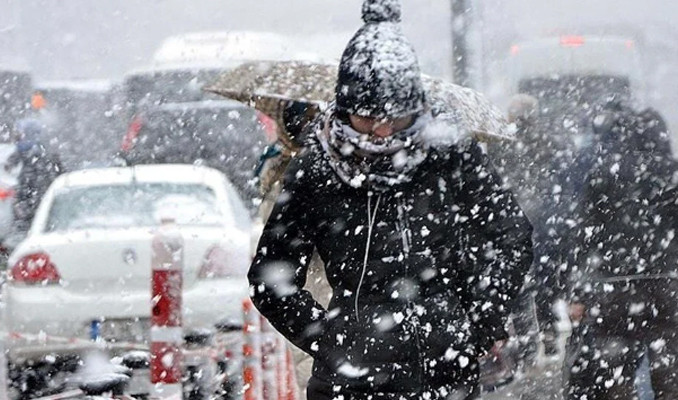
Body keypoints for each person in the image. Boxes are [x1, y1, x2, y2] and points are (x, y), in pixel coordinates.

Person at [247, 0, 534, 398]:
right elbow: (269, 280)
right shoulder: (316, 170)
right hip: (350, 382)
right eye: (366, 118)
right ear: (345, 110)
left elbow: (511, 235)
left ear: (415, 108)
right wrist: (331, 339)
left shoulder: (449, 155)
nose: (381, 132)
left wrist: (482, 318)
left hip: (445, 372)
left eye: (395, 118)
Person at [562, 105, 678, 399]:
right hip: (666, 286)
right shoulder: (672, 174)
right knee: (668, 368)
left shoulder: (603, 174)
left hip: (613, 288)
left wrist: (578, 292)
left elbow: (584, 235)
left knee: (614, 369)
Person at [7, 118, 64, 237]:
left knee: (26, 221)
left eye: (21, 133)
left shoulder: (26, 149)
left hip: (30, 191)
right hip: (42, 189)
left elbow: (11, 164)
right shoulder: (43, 148)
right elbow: (58, 168)